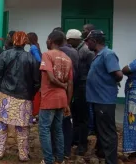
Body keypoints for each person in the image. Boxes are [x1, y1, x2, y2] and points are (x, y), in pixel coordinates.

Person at [0, 31, 40, 162]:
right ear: (25, 42)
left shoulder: (4, 55)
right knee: (22, 127)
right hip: (23, 97)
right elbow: (37, 81)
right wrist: (30, 94)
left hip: (4, 95)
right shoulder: (31, 58)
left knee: (2, 124)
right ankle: (23, 155)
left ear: (13, 41)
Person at [85, 30, 123, 164]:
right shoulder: (98, 55)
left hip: (104, 100)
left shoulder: (108, 54)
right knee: (101, 130)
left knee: (107, 132)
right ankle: (102, 154)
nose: (86, 43)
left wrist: (107, 83)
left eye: (87, 41)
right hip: (97, 99)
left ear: (94, 41)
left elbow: (118, 74)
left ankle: (111, 161)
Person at [39, 30, 74, 164]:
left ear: (51, 40)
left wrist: (61, 85)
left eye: (48, 39)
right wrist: (67, 103)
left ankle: (48, 160)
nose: (46, 41)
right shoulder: (67, 58)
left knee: (44, 130)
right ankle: (60, 159)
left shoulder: (47, 55)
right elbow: (70, 83)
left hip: (49, 98)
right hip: (62, 99)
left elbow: (51, 78)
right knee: (58, 130)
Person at [66, 29, 95, 156]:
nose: (68, 43)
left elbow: (91, 71)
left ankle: (82, 145)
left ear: (75, 40)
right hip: (77, 86)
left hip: (84, 87)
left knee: (83, 117)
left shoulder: (86, 51)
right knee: (75, 115)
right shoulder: (78, 49)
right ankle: (75, 139)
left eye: (69, 41)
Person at [53, 27, 79, 160]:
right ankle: (66, 151)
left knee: (55, 123)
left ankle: (56, 151)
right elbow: (75, 75)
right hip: (70, 90)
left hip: (55, 92)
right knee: (67, 122)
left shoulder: (53, 53)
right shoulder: (74, 52)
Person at [27, 32, 42, 119]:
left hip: (34, 74)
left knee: (34, 94)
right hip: (36, 73)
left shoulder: (33, 47)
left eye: (27, 38)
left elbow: (39, 60)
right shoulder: (36, 46)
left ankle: (34, 113)